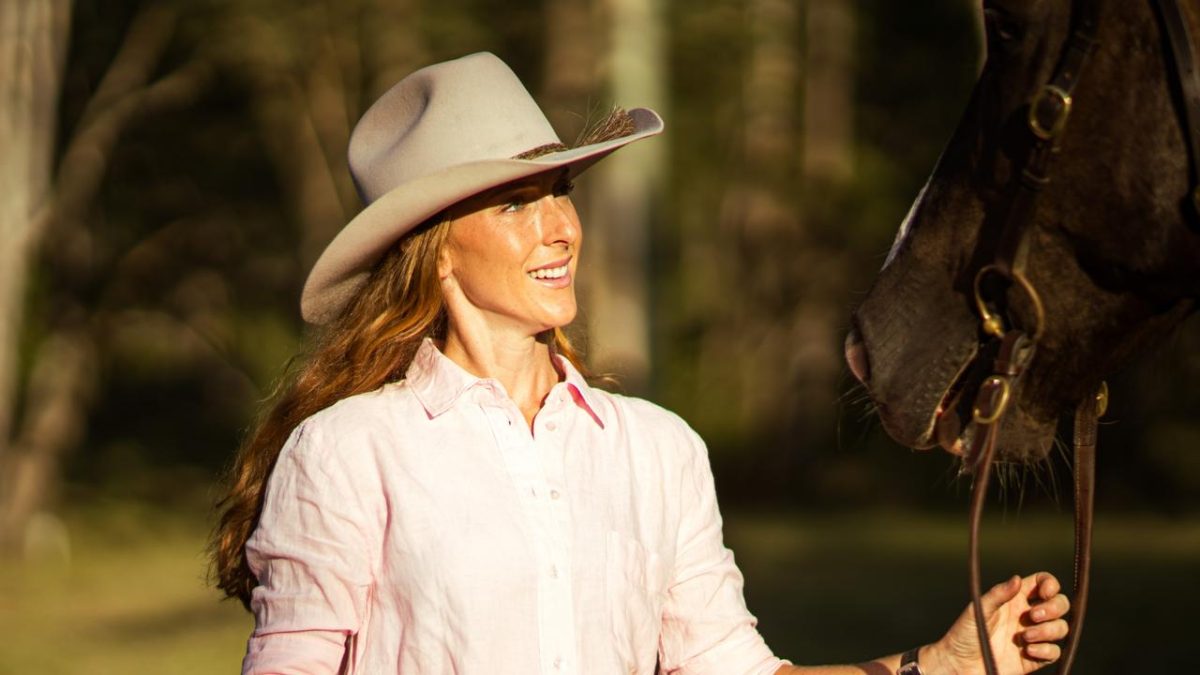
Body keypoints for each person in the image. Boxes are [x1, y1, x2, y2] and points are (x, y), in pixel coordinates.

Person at [210, 52, 1070, 675]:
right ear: (435, 252)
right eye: (517, 204)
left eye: (560, 195)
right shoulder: (347, 450)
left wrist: (944, 664)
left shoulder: (658, 451)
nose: (560, 229)